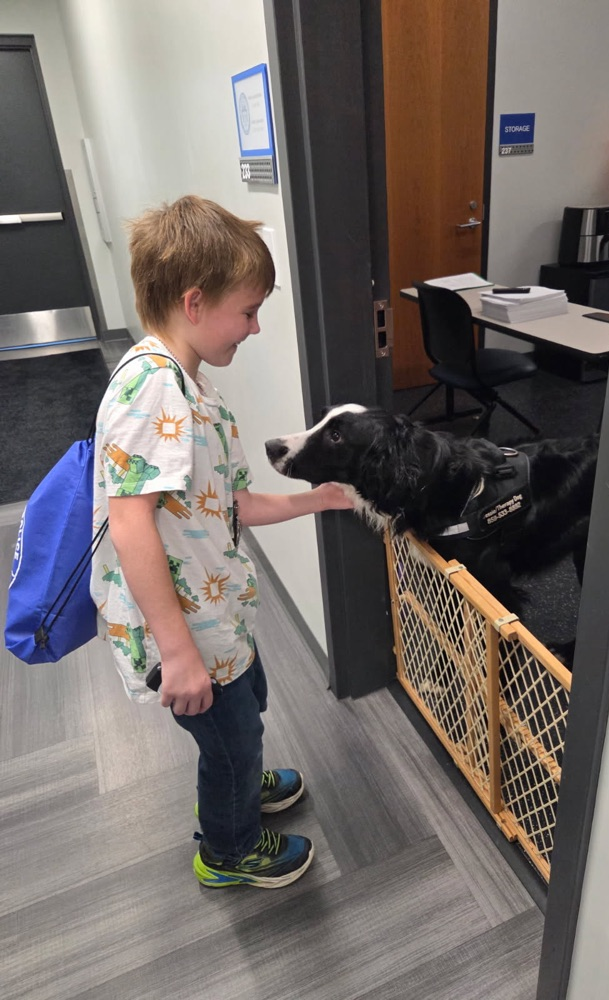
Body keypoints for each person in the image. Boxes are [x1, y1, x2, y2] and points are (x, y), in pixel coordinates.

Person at [91, 194, 353, 889]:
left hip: (216, 611)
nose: (257, 327)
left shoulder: (189, 386)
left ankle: (243, 776)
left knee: (245, 711)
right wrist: (176, 653)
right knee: (229, 741)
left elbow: (230, 502)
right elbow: (129, 523)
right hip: (186, 630)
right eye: (249, 310)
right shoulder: (152, 394)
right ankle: (229, 850)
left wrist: (317, 498)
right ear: (195, 302)